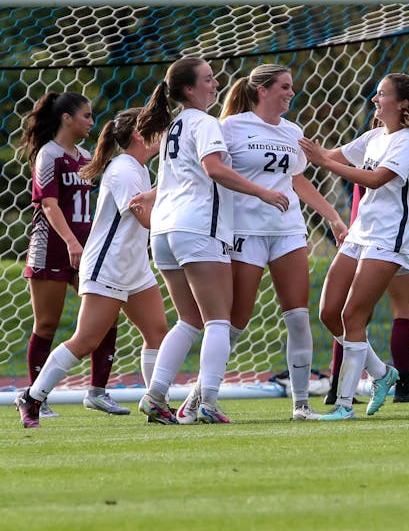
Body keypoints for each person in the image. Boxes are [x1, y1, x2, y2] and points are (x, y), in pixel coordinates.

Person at [168, 63, 347, 422]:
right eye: (283, 86)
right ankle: (198, 396)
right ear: (262, 90)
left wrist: (334, 217)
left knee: (298, 317)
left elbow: (298, 181)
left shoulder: (293, 132)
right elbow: (208, 167)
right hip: (243, 233)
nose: (290, 92)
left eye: (291, 87)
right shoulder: (229, 127)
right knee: (233, 323)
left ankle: (301, 406)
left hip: (288, 233)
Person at [134, 57, 289, 425]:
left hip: (165, 232)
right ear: (189, 89)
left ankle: (155, 396)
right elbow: (214, 169)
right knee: (218, 321)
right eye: (208, 79)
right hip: (198, 227)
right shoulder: (204, 123)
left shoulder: (174, 125)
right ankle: (209, 402)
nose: (216, 83)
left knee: (188, 320)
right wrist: (263, 193)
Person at [16, 109, 168, 427]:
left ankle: (157, 404)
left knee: (157, 332)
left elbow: (145, 208)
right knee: (86, 341)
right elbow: (142, 214)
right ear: (140, 135)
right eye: (156, 129)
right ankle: (32, 397)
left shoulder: (139, 169)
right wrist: (175, 200)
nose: (161, 135)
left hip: (134, 266)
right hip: (108, 266)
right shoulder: (124, 169)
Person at [299, 73, 409, 421]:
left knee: (352, 316)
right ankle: (382, 372)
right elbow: (327, 155)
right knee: (329, 312)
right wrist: (286, 142)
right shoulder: (375, 136)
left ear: (401, 103)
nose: (375, 99)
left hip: (389, 237)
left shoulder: (408, 141)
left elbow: (375, 178)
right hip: (361, 232)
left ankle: (344, 405)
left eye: (381, 94)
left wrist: (326, 162)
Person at [16, 91, 126, 419]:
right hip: (51, 247)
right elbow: (48, 204)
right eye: (86, 116)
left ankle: (98, 391)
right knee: (47, 323)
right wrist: (70, 242)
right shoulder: (48, 155)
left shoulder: (85, 156)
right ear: (67, 118)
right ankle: (37, 397)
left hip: (85, 249)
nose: (91, 122)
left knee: (106, 317)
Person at [323, 183, 409, 405]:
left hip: (359, 236)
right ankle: (403, 386)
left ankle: (336, 387)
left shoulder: (367, 156)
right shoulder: (394, 154)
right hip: (385, 239)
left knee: (351, 315)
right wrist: (405, 247)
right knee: (399, 309)